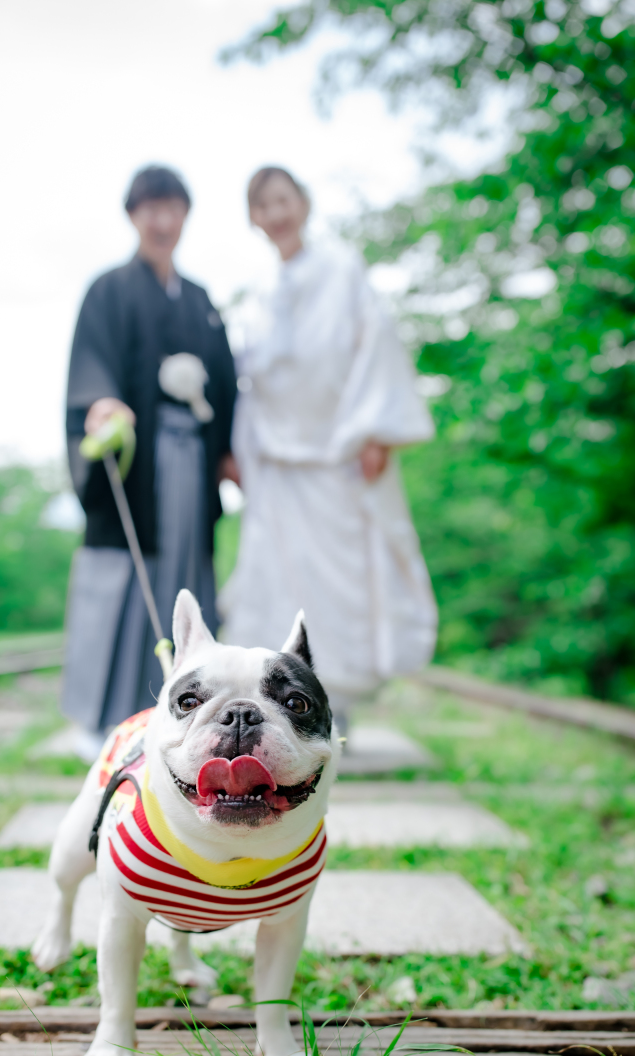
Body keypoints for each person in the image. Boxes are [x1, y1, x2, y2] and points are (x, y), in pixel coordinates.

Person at [221, 166, 437, 736]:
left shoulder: (341, 269)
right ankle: (276, 713)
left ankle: (337, 711)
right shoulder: (262, 293)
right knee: (273, 587)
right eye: (262, 204)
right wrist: (239, 451)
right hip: (278, 469)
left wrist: (376, 431)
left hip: (335, 460)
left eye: (282, 199)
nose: (275, 212)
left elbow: (375, 345)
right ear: (253, 218)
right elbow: (251, 382)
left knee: (340, 592)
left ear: (304, 204)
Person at [62, 165, 238, 760]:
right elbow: (93, 366)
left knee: (185, 580)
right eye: (150, 209)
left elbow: (226, 383)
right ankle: (103, 717)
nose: (162, 221)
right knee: (124, 575)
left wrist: (229, 449)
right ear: (133, 216)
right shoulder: (109, 289)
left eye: (172, 209)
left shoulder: (200, 300)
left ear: (185, 216)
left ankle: (186, 716)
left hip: (193, 461)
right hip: (141, 460)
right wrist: (101, 403)